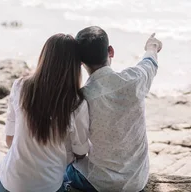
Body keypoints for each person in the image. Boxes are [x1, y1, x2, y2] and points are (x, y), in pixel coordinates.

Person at [65, 27, 162, 192]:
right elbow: (149, 63)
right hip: (136, 181)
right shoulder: (134, 80)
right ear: (111, 51)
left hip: (98, 184)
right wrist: (152, 47)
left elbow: (75, 147)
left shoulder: (81, 98)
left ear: (81, 62)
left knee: (61, 169)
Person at [0, 34, 90, 192]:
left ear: (44, 57)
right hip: (49, 187)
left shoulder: (20, 86)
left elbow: (9, 140)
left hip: (10, 184)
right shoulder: (76, 103)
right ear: (76, 65)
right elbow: (80, 152)